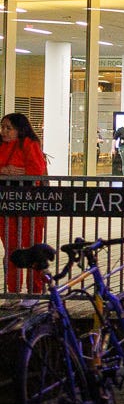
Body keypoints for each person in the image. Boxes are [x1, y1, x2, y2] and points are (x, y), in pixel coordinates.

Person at [1, 113, 48, 304]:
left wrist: (17, 173)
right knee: (12, 250)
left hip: (29, 208)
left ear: (19, 129)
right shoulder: (3, 145)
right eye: (2, 127)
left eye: (8, 128)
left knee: (31, 248)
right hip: (7, 208)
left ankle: (34, 292)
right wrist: (6, 171)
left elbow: (35, 171)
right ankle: (13, 292)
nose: (4, 131)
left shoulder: (29, 144)